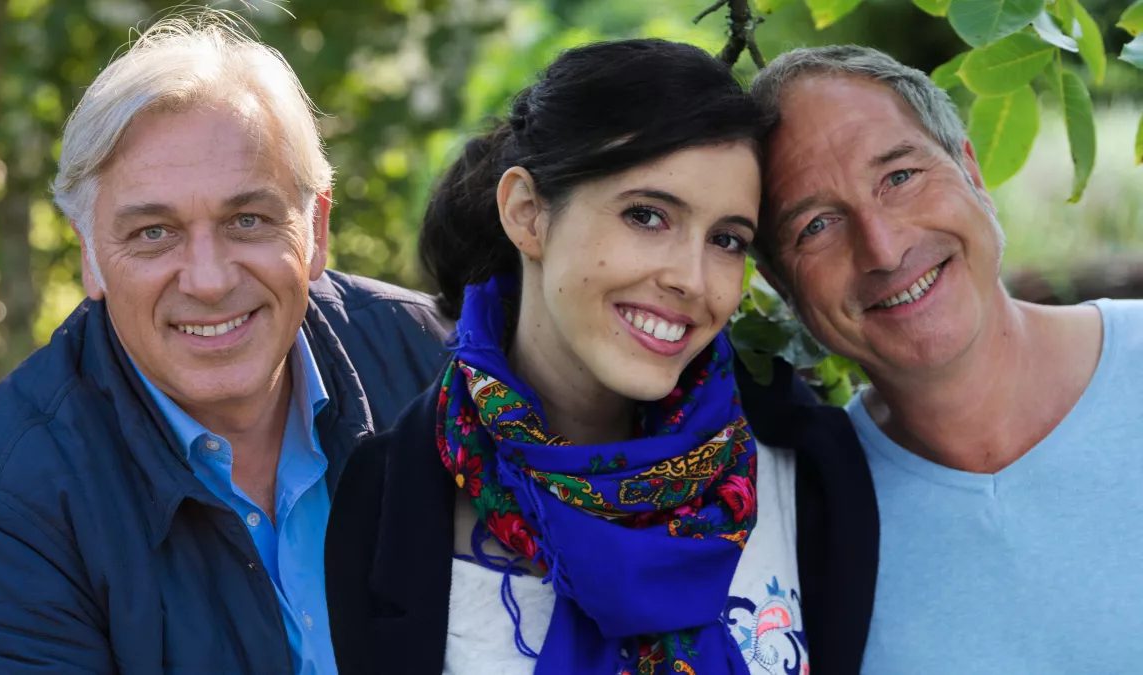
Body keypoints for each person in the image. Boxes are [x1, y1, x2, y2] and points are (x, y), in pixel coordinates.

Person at [324, 38, 874, 675]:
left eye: (726, 240)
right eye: (647, 216)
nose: (692, 280)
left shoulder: (803, 464)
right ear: (527, 214)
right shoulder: (389, 496)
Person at [0, 13, 447, 675]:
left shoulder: (442, 363)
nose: (208, 281)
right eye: (153, 232)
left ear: (316, 231)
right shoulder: (0, 507)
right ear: (90, 256)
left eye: (248, 220)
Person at [749, 45, 1143, 673]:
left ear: (971, 172)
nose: (883, 248)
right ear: (780, 283)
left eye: (900, 177)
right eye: (816, 225)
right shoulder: (802, 522)